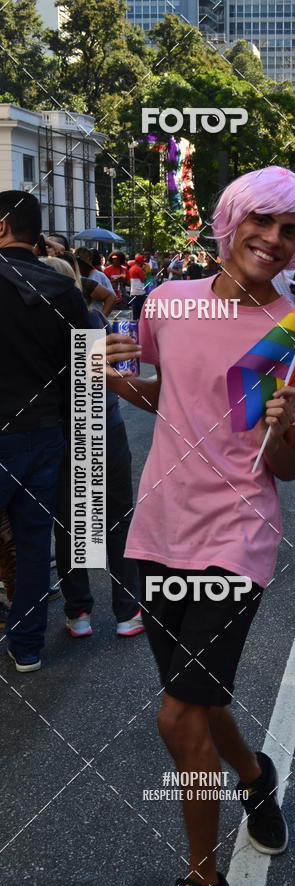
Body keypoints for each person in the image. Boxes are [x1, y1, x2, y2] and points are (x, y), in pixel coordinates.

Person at [104, 165, 295, 886]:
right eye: (260, 222)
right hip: (157, 530)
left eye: (289, 229)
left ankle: (204, 880)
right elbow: (170, 393)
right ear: (231, 223)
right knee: (197, 700)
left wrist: (281, 423)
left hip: (236, 536)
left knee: (177, 716)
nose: (271, 238)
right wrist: (111, 380)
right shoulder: (168, 303)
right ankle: (256, 776)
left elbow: (290, 466)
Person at [0, 190, 90, 672]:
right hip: (46, 432)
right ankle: (27, 644)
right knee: (36, 544)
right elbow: (90, 374)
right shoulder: (65, 291)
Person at [39, 257, 144, 640]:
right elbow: (121, 375)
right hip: (103, 425)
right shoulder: (94, 322)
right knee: (116, 517)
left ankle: (79, 611)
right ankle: (127, 612)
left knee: (70, 522)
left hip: (59, 428)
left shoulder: (35, 326)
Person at [128, 253, 148, 319]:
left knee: (135, 312)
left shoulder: (131, 269)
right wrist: (144, 270)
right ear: (141, 262)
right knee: (141, 312)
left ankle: (134, 325)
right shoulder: (139, 270)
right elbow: (143, 280)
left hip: (133, 292)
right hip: (140, 293)